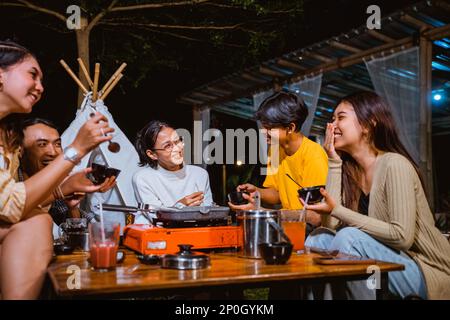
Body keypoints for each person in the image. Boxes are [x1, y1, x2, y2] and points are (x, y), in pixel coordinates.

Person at [304, 91, 450, 300]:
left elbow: (402, 237)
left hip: (425, 272)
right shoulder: (350, 171)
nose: (332, 126)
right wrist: (334, 163)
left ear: (368, 124)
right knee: (319, 238)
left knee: (349, 237)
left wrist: (338, 210)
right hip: (379, 267)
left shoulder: (394, 164)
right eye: (332, 119)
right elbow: (331, 225)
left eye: (341, 117)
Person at [0, 41, 114, 299]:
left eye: (41, 79)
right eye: (32, 74)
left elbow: (7, 202)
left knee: (38, 220)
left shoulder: (6, 136)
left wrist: (66, 188)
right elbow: (10, 207)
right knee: (36, 223)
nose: (40, 87)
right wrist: (75, 150)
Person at [229, 91, 328, 229]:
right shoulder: (275, 149)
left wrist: (264, 212)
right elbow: (276, 194)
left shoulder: (313, 154)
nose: (264, 132)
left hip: (310, 229)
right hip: (288, 223)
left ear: (290, 128)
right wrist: (256, 191)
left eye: (269, 128)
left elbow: (314, 217)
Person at [20, 118, 115, 226]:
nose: (53, 153)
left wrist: (73, 208)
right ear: (20, 150)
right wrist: (61, 191)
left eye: (57, 144)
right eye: (42, 144)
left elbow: (79, 234)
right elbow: (13, 213)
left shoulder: (55, 182)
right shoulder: (8, 183)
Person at [133, 120, 213, 212]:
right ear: (152, 154)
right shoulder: (143, 178)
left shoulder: (200, 174)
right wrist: (180, 206)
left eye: (178, 141)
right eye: (168, 146)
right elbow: (154, 216)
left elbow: (209, 212)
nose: (178, 148)